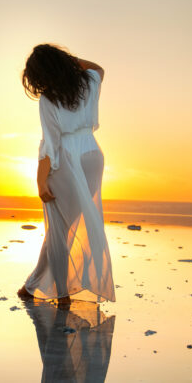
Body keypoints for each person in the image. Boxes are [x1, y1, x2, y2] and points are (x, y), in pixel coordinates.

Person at [16, 43, 116, 306]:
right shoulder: (89, 81)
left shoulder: (49, 99)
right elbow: (98, 67)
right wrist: (69, 62)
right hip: (92, 155)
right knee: (62, 228)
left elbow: (50, 144)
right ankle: (32, 284)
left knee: (59, 230)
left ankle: (62, 294)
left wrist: (41, 181)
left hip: (66, 158)